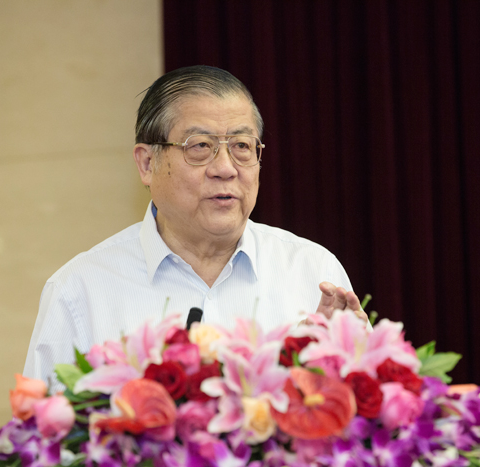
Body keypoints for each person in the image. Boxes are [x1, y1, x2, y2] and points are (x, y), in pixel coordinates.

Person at [23, 66, 366, 387]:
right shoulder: (80, 291)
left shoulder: (313, 272)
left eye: (242, 146)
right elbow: (44, 428)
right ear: (147, 163)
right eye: (200, 146)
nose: (225, 168)